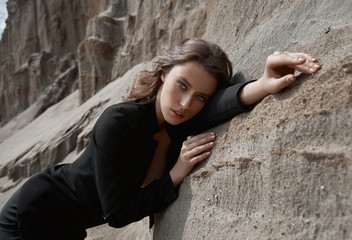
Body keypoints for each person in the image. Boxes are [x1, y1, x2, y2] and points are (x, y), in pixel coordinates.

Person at [0, 39, 321, 239]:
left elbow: (220, 104)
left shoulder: (176, 119)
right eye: (182, 85)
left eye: (199, 97)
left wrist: (265, 83)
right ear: (165, 73)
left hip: (68, 222)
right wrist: (176, 174)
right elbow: (118, 215)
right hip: (34, 212)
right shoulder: (118, 121)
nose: (185, 104)